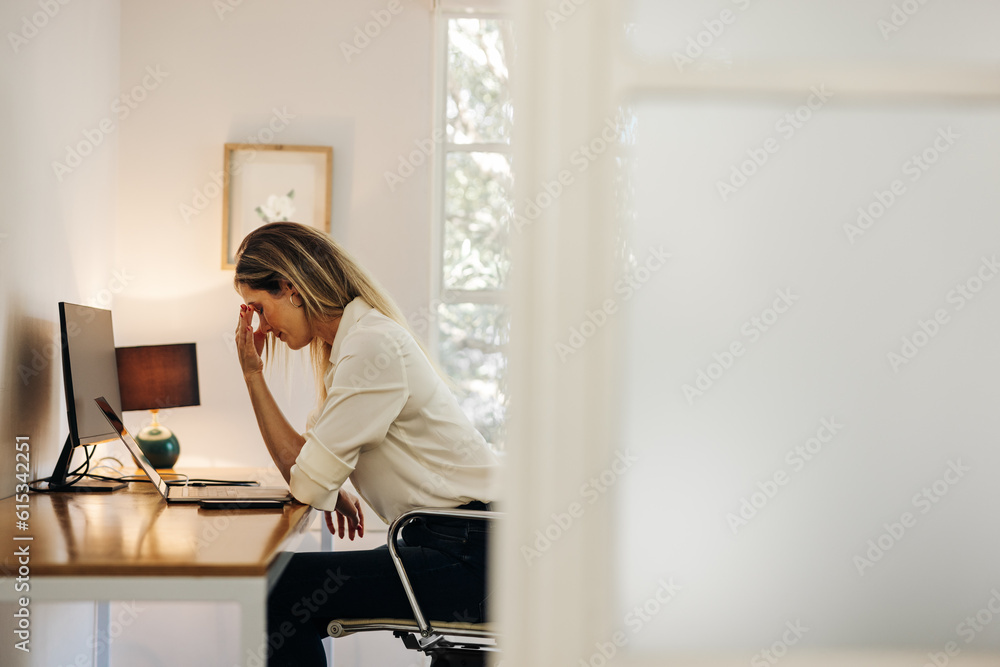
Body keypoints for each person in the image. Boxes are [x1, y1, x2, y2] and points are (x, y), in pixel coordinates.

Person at [232, 222, 500, 666]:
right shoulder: (354, 346)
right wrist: (253, 375)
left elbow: (306, 483)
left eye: (260, 308)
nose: (263, 325)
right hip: (449, 540)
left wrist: (253, 377)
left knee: (274, 590)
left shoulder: (371, 347)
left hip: (468, 553)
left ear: (290, 289)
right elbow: (309, 467)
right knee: (285, 590)